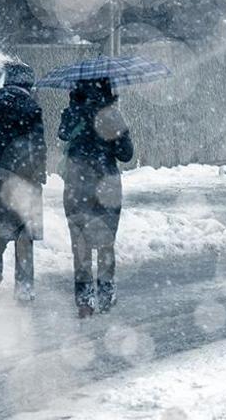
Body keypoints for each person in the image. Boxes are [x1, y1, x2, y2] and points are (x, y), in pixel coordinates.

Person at [0, 61, 47, 302]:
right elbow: (38, 146)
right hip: (24, 179)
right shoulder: (32, 108)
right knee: (24, 234)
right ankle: (23, 288)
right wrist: (39, 174)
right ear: (28, 84)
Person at [59, 78, 134, 318]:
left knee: (80, 245)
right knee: (105, 244)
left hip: (76, 187)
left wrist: (76, 112)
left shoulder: (71, 114)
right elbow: (126, 154)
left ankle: (84, 300)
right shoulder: (112, 115)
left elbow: (63, 135)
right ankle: (105, 293)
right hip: (107, 187)